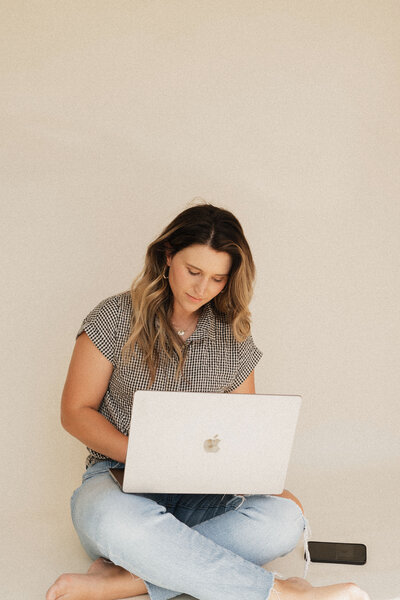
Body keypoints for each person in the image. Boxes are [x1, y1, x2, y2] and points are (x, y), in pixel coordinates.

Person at [46, 203, 370, 600]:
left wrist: (258, 481)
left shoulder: (232, 336)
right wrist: (146, 459)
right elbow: (75, 413)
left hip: (203, 490)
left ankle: (126, 581)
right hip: (118, 481)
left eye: (217, 278)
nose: (202, 289)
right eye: (193, 272)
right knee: (115, 524)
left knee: (285, 519)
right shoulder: (114, 317)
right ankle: (280, 592)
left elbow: (239, 433)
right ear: (167, 257)